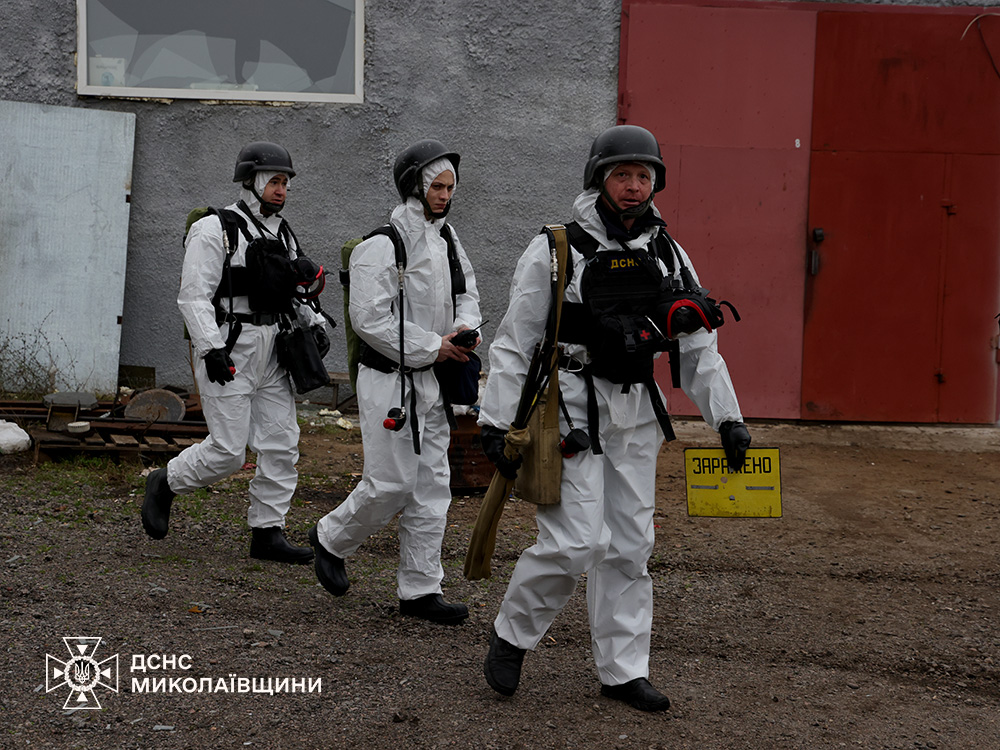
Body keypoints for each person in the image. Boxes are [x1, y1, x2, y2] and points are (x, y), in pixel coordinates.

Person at [477, 125, 752, 711]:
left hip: (636, 412)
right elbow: (515, 339)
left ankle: (623, 671)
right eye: (622, 175)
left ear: (655, 183)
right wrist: (495, 421)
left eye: (643, 176)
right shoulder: (556, 249)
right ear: (599, 179)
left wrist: (727, 418)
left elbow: (698, 343)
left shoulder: (668, 253)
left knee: (630, 545)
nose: (633, 186)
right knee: (577, 541)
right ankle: (512, 635)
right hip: (570, 408)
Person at [308, 139, 482, 624]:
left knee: (432, 486)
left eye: (450, 188)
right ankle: (331, 537)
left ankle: (420, 589)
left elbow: (468, 293)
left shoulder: (448, 241)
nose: (444, 196)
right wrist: (432, 345)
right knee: (390, 482)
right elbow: (368, 319)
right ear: (414, 186)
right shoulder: (381, 245)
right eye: (437, 187)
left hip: (434, 379)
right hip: (389, 380)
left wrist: (463, 331)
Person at [141, 141, 329, 565]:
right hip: (230, 346)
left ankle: (267, 532)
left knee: (281, 443)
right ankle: (165, 482)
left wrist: (314, 323)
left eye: (285, 183)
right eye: (274, 181)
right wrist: (210, 348)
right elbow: (193, 296)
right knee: (228, 452)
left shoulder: (282, 233)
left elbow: (294, 289)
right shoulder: (214, 229)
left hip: (274, 349)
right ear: (251, 181)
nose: (281, 190)